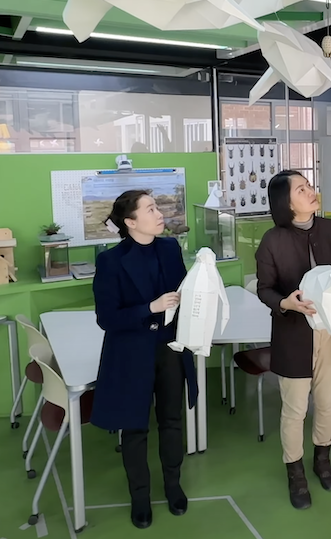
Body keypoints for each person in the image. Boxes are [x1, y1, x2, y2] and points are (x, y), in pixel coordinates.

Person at [91, 189, 198, 530]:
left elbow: (184, 295)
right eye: (151, 209)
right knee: (135, 428)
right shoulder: (110, 261)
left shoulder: (169, 248)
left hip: (169, 347)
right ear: (131, 221)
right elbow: (107, 318)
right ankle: (140, 497)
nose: (159, 213)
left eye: (157, 206)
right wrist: (149, 309)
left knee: (171, 419)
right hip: (131, 353)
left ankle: (172, 485)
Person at [256, 171, 331, 510]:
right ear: (286, 202)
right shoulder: (272, 240)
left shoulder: (330, 229)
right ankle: (295, 470)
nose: (312, 192)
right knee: (295, 409)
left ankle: (322, 458)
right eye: (302, 189)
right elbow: (264, 289)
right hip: (293, 336)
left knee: (327, 402)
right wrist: (287, 303)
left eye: (310, 186)